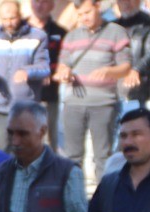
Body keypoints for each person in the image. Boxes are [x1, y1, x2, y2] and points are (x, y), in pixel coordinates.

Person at [57, 0, 132, 189]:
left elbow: (126, 67)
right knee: (72, 156)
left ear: (98, 7)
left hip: (103, 102)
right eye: (80, 14)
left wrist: (109, 71)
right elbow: (62, 65)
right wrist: (63, 72)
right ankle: (74, 199)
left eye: (87, 12)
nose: (84, 18)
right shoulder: (72, 36)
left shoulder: (116, 32)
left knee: (103, 156)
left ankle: (103, 201)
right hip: (73, 102)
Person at [0, 1, 51, 148]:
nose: (9, 23)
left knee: (24, 153)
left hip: (25, 107)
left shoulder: (37, 37)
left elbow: (45, 68)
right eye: (5, 19)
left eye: (12, 18)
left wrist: (27, 72)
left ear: (20, 15)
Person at [29, 0, 69, 149]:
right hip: (25, 94)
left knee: (51, 140)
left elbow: (65, 61)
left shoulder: (60, 32)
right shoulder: (22, 29)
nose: (39, 5)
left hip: (51, 94)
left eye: (44, 2)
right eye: (36, 2)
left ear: (52, 5)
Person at [116, 0, 150, 115]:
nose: (126, 4)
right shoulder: (114, 27)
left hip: (140, 84)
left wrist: (137, 69)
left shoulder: (147, 24)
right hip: (116, 85)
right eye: (121, 1)